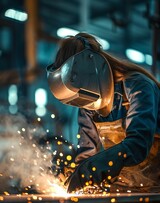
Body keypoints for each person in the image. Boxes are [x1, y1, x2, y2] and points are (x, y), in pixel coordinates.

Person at [47, 32, 160, 193]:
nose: (86, 106)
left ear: (94, 71)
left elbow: (138, 145)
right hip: (128, 190)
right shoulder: (88, 104)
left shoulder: (138, 86)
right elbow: (86, 156)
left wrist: (92, 168)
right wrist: (74, 174)